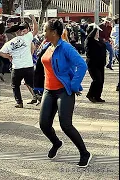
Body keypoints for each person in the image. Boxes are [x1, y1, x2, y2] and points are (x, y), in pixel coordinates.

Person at [35, 19, 91, 167]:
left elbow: (82, 65)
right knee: (44, 124)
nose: (43, 33)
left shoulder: (66, 47)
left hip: (63, 91)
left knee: (66, 125)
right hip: (48, 91)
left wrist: (74, 85)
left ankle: (84, 153)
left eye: (45, 30)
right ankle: (56, 143)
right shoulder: (48, 46)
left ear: (53, 32)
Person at [0, 14, 39, 108]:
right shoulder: (27, 37)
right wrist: (33, 19)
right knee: (32, 84)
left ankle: (19, 102)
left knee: (15, 86)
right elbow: (36, 30)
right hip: (28, 66)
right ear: (20, 31)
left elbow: (1, 52)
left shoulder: (9, 43)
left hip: (17, 67)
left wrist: (9, 57)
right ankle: (39, 96)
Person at [84, 26, 106, 103]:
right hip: (92, 64)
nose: (97, 33)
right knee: (97, 80)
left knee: (101, 81)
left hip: (100, 63)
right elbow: (90, 36)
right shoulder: (89, 40)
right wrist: (95, 27)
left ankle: (97, 96)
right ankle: (90, 95)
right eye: (96, 32)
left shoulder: (99, 40)